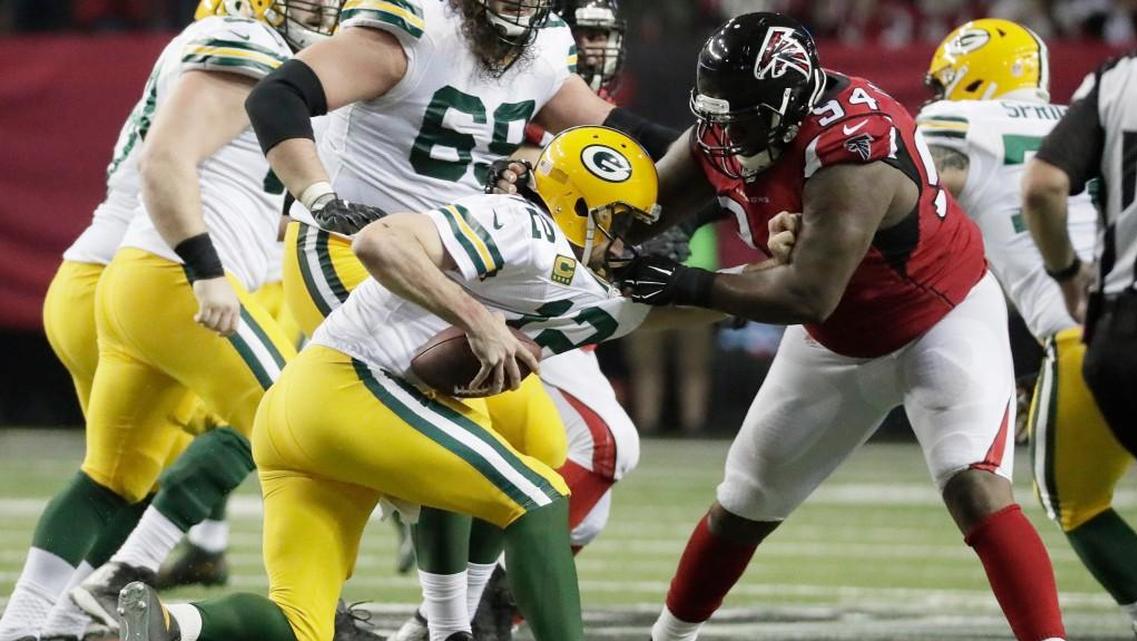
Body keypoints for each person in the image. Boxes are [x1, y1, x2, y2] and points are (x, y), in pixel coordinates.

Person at [112, 125, 717, 641]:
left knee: (300, 620)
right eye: (619, 222)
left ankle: (174, 625)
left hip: (301, 413)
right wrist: (477, 319)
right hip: (348, 388)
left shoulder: (571, 281)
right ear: (580, 204)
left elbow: (687, 302)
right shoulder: (519, 223)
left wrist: (778, 266)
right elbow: (378, 240)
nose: (626, 242)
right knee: (537, 494)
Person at [612, 12, 1067, 641]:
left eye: (741, 117)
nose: (725, 131)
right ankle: (668, 637)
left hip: (940, 317)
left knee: (974, 485)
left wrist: (679, 281)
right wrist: (579, 216)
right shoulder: (727, 127)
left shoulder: (856, 145)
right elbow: (638, 212)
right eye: (716, 114)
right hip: (840, 339)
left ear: (787, 104)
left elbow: (807, 293)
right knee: (742, 503)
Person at [244, 1, 672, 639]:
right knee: (451, 433)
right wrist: (319, 196)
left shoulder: (543, 48)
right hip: (353, 247)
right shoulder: (413, 31)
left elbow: (629, 136)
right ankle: (442, 622)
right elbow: (276, 97)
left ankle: (438, 620)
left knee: (538, 442)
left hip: (461, 262)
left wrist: (740, 174)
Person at [0, 3, 339, 641]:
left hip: (112, 274)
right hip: (154, 268)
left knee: (121, 475)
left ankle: (34, 626)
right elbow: (170, 158)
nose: (324, 11)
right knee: (293, 418)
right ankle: (131, 572)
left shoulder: (236, 45)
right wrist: (205, 266)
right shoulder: (241, 42)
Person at [917, 19, 1137, 636]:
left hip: (1092, 331)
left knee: (1076, 502)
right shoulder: (1088, 116)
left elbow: (907, 194)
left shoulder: (956, 125)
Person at [1023, 51, 1137, 633]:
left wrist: (1068, 273)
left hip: (1125, 323)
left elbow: (1042, 185)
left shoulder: (1120, 81)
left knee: (1075, 498)